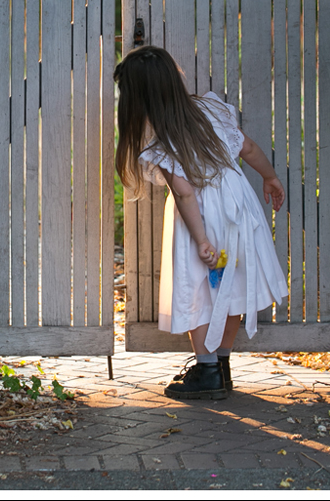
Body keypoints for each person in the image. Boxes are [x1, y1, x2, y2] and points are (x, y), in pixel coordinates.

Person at [114, 45, 288, 400]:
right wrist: (270, 178)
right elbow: (249, 149)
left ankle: (207, 368)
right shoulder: (212, 110)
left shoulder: (164, 141)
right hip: (238, 212)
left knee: (199, 286)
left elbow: (185, 193)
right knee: (230, 281)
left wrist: (201, 239)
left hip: (204, 220)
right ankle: (221, 366)